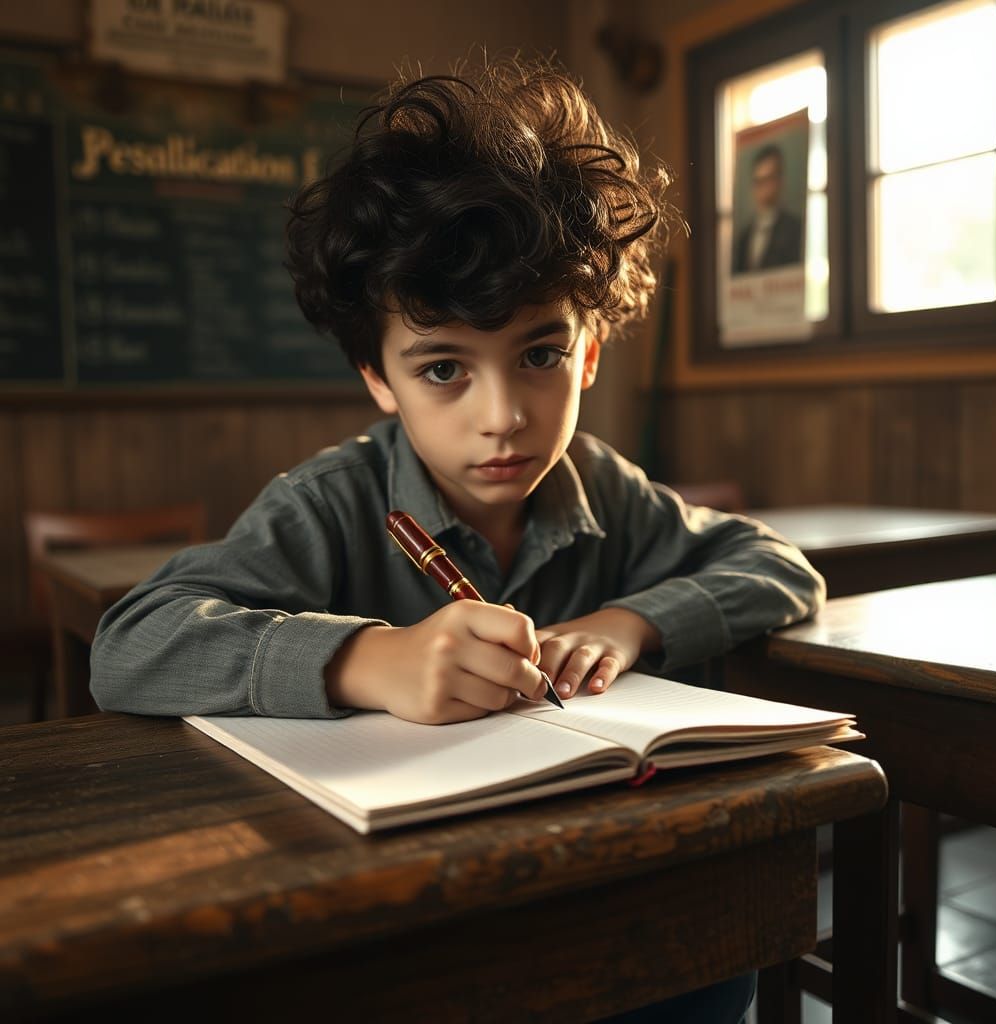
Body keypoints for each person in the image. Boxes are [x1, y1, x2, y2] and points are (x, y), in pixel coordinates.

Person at [90, 57, 824, 1023]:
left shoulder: (602, 485)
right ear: (377, 379)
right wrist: (367, 659)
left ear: (589, 352)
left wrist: (634, 620)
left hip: (591, 885)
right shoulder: (329, 506)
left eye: (541, 355)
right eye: (443, 369)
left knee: (720, 944)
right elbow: (131, 642)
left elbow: (780, 566)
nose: (504, 417)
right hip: (402, 917)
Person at [731, 142, 803, 274]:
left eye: (769, 179)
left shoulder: (795, 229)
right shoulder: (743, 238)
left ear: (780, 181)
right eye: (759, 181)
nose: (764, 189)